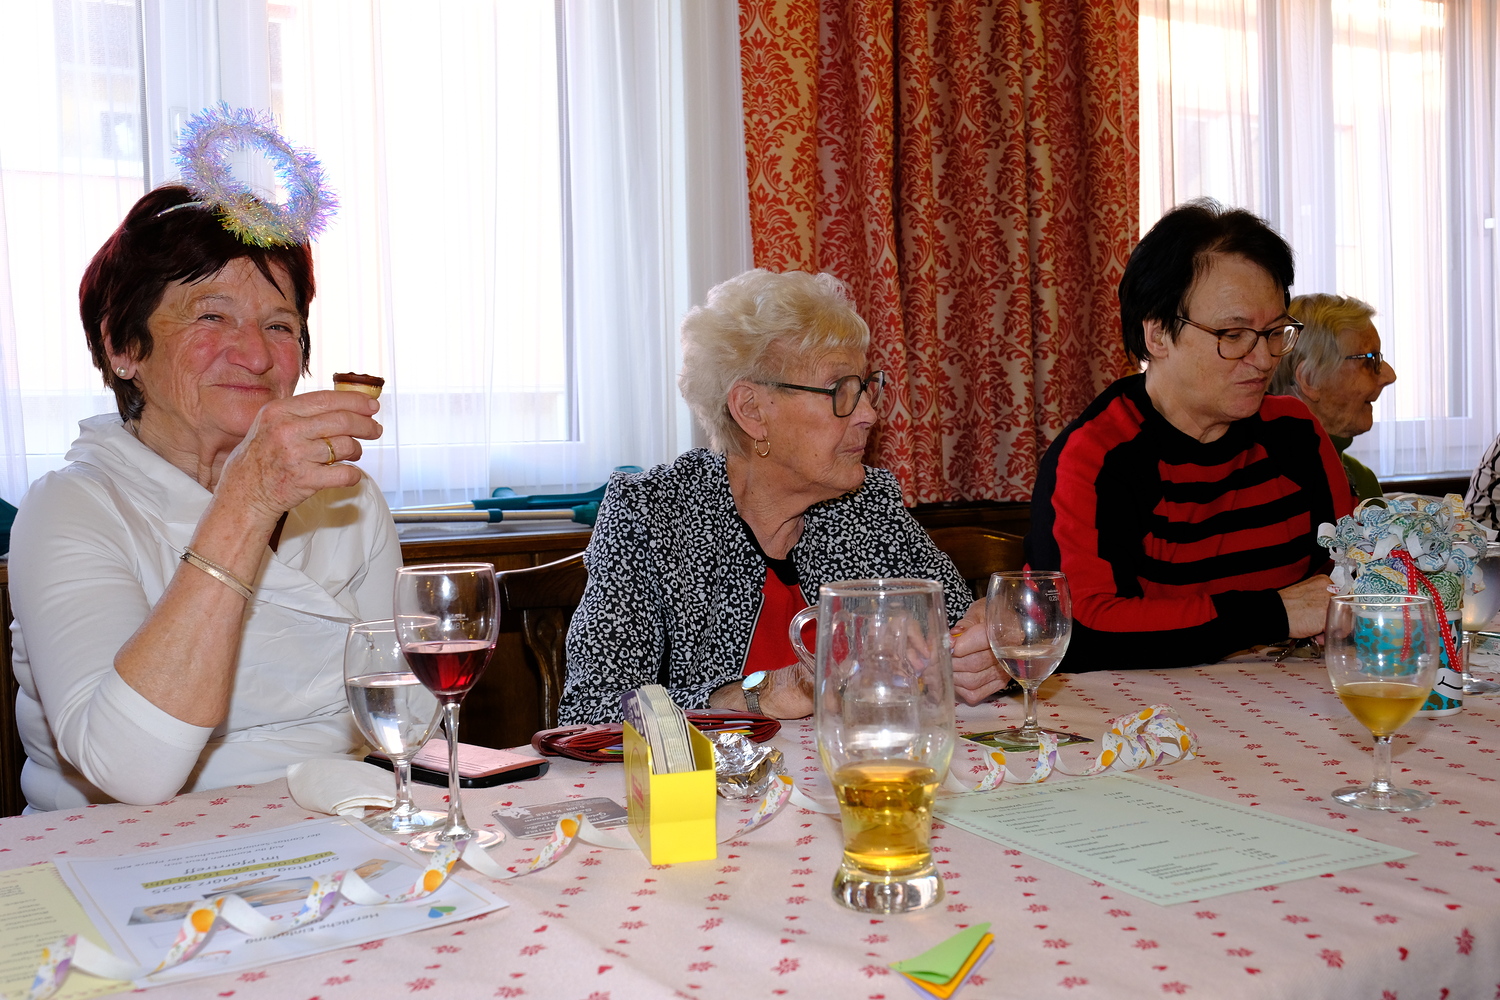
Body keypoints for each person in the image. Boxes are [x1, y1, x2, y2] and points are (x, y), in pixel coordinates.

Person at [9, 185, 398, 810]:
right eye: (211, 317)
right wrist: (246, 502)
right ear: (122, 346)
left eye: (280, 325)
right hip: (126, 848)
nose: (255, 355)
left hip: (334, 826)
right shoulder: (69, 509)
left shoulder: (347, 499)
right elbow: (131, 771)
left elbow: (405, 714)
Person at [558, 269, 1000, 725]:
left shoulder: (868, 505)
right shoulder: (654, 512)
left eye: (866, 388)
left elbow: (956, 628)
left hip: (850, 761)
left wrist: (983, 641)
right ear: (752, 410)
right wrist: (764, 693)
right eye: (841, 391)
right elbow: (591, 711)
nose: (868, 414)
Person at [1026, 200, 1354, 671]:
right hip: (1143, 709)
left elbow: (1350, 571)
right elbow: (1081, 629)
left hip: (1289, 697)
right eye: (1234, 334)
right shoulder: (1097, 458)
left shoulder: (1295, 432)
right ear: (1158, 335)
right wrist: (1276, 614)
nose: (1264, 359)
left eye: (1275, 332)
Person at [1267, 293, 1396, 500]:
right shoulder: (1267, 482)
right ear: (1310, 379)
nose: (1389, 376)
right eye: (1369, 360)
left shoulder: (1361, 478)